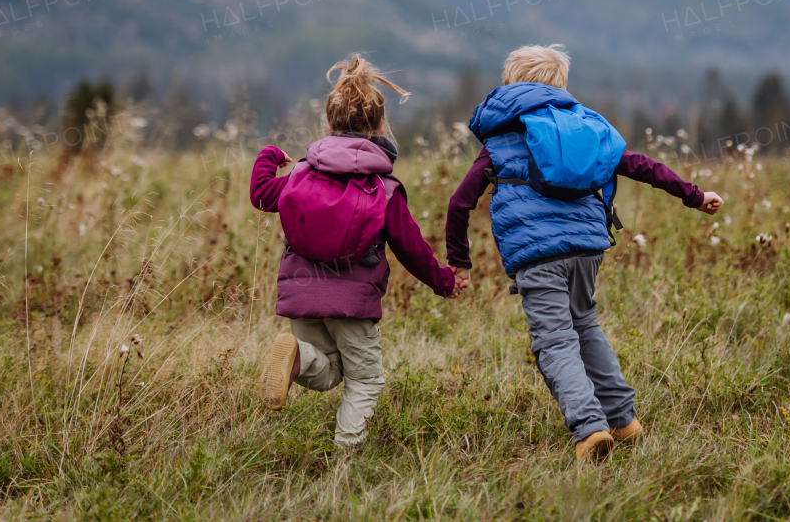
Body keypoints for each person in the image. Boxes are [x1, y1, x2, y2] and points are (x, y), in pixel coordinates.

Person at [444, 44, 723, 461]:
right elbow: (640, 165)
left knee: (555, 340)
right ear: (560, 85)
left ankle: (590, 428)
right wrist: (695, 196)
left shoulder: (500, 142)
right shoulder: (586, 131)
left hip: (537, 255)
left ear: (510, 85)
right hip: (589, 247)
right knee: (586, 327)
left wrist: (459, 262)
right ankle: (624, 420)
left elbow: (459, 203)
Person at [251, 54, 464, 448]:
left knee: (328, 372)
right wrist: (444, 281)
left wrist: (268, 156)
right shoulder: (384, 188)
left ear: (329, 123)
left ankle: (296, 352)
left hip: (299, 296)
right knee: (365, 379)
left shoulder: (299, 173)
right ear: (380, 127)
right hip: (352, 302)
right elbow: (411, 248)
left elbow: (262, 195)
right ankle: (345, 460)